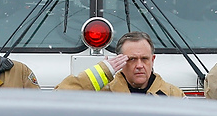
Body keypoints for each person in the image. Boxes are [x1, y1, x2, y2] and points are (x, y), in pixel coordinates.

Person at [55, 31, 185, 97]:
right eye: (132, 59)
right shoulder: (103, 94)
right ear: (120, 62)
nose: (139, 65)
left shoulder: (173, 95)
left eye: (144, 58)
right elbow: (57, 100)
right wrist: (101, 72)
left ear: (153, 59)